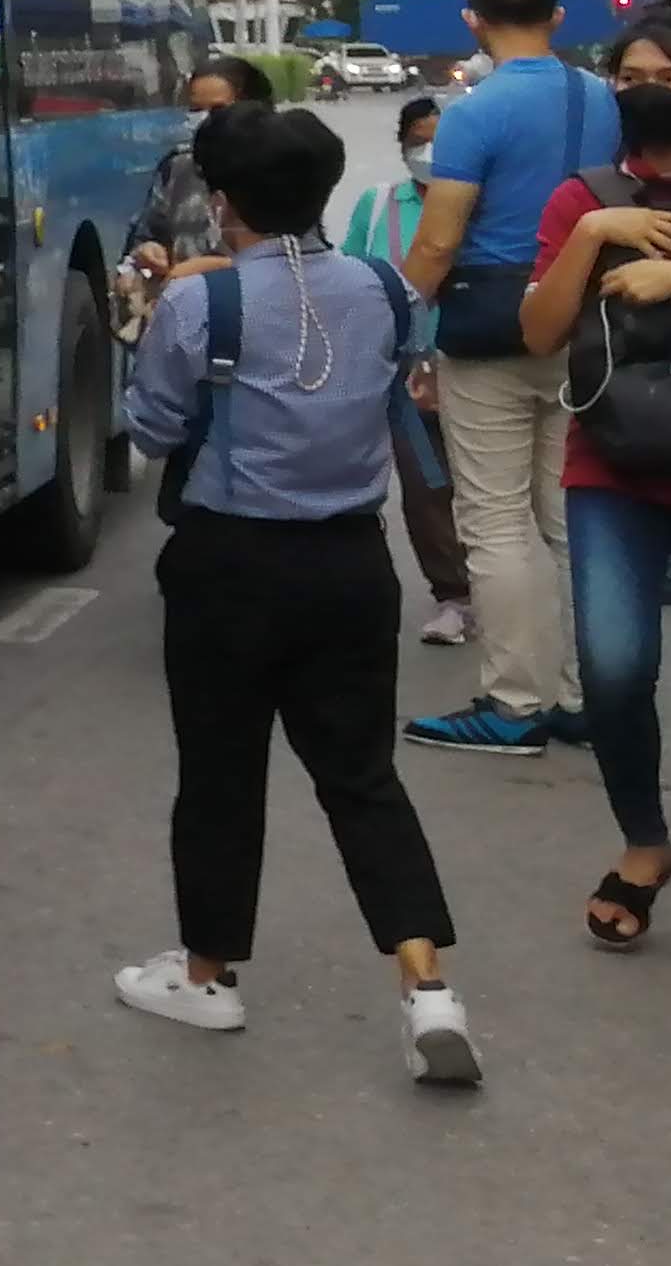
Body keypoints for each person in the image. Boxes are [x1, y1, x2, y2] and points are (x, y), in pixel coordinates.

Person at [116, 104, 480, 1084]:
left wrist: (148, 321)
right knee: (360, 775)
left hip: (227, 564)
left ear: (221, 201)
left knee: (220, 774)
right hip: (350, 567)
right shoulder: (384, 290)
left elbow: (149, 426)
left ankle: (205, 975)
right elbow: (386, 386)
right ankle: (424, 985)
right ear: (320, 192)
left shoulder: (201, 305)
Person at [516, 69, 671, 966]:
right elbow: (537, 331)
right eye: (632, 74)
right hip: (611, 465)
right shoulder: (583, 197)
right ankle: (645, 847)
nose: (649, 88)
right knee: (610, 667)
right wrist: (597, 235)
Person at [401, 0, 612, 755]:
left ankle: (512, 704)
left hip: (489, 333)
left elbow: (441, 237)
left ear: (471, 19)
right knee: (571, 516)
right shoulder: (600, 97)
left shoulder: (473, 112)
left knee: (493, 520)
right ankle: (584, 695)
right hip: (582, 323)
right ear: (560, 18)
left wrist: (397, 319)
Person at [344, 95, 476, 645]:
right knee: (425, 489)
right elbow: (350, 281)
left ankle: (500, 588)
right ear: (402, 146)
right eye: (419, 139)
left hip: (477, 366)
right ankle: (454, 596)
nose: (430, 151)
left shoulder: (486, 203)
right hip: (406, 373)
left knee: (485, 490)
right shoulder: (378, 207)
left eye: (442, 140)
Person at [118, 52, 274, 339]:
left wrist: (217, 268)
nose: (204, 120)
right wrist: (147, 255)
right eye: (195, 110)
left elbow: (301, 262)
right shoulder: (178, 168)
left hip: (258, 337)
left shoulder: (282, 172)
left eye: (217, 110)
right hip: (181, 337)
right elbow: (142, 241)